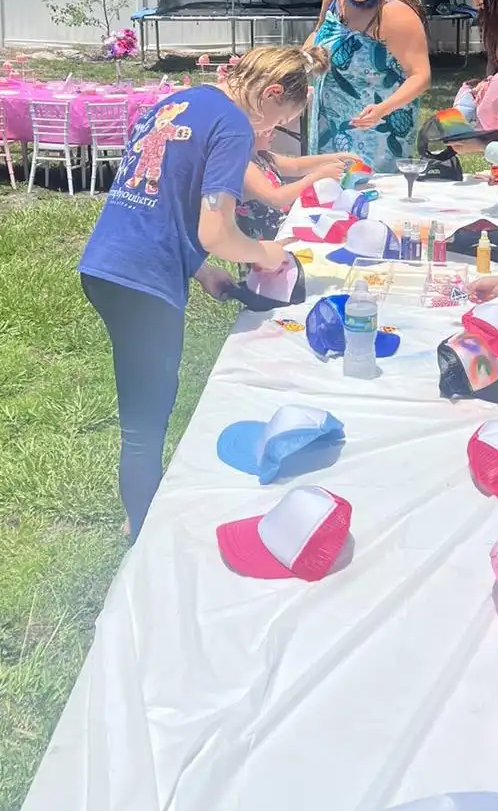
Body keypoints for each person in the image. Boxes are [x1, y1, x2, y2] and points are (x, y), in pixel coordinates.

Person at [79, 45, 329, 541]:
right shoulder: (234, 126)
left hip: (106, 262)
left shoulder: (183, 100)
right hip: (142, 279)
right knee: (147, 415)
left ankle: (141, 509)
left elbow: (159, 199)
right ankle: (142, 532)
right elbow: (217, 232)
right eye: (281, 120)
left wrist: (201, 271)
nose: (274, 130)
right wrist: (264, 252)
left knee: (146, 400)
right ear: (270, 94)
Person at [306, 0, 430, 171]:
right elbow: (319, 33)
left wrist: (382, 110)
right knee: (329, 189)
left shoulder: (394, 13)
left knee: (370, 189)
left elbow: (420, 77)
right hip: (330, 123)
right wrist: (295, 65)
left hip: (376, 128)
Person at [236, 132, 354, 240]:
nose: (274, 134)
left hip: (283, 229)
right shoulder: (245, 166)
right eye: (268, 130)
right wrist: (318, 175)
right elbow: (276, 199)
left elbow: (297, 166)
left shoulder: (262, 156)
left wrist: (335, 158)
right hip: (264, 245)